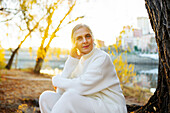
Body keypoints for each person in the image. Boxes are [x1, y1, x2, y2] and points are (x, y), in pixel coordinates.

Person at [39, 24, 127, 113]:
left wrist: (57, 80)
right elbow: (60, 91)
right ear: (74, 43)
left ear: (93, 38)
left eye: (87, 36)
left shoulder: (102, 58)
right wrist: (72, 60)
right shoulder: (78, 60)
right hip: (89, 103)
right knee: (46, 97)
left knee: (70, 97)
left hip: (110, 107)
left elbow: (80, 87)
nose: (85, 41)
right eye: (79, 38)